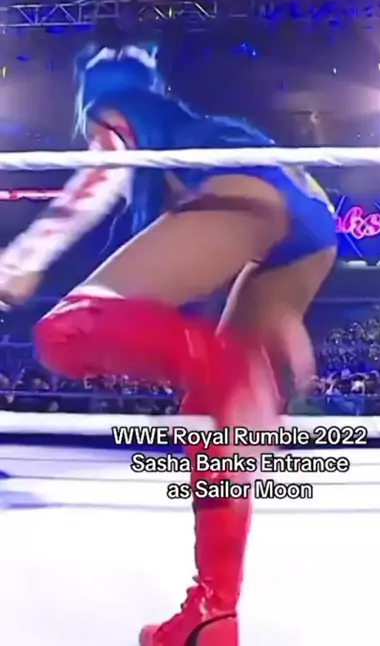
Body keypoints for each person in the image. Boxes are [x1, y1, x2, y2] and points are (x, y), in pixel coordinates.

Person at [0, 42, 337, 646]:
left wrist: (24, 259)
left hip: (247, 193)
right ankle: (213, 613)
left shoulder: (119, 107)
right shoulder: (197, 131)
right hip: (310, 209)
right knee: (215, 427)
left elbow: (95, 180)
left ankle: (232, 371)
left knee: (65, 331)